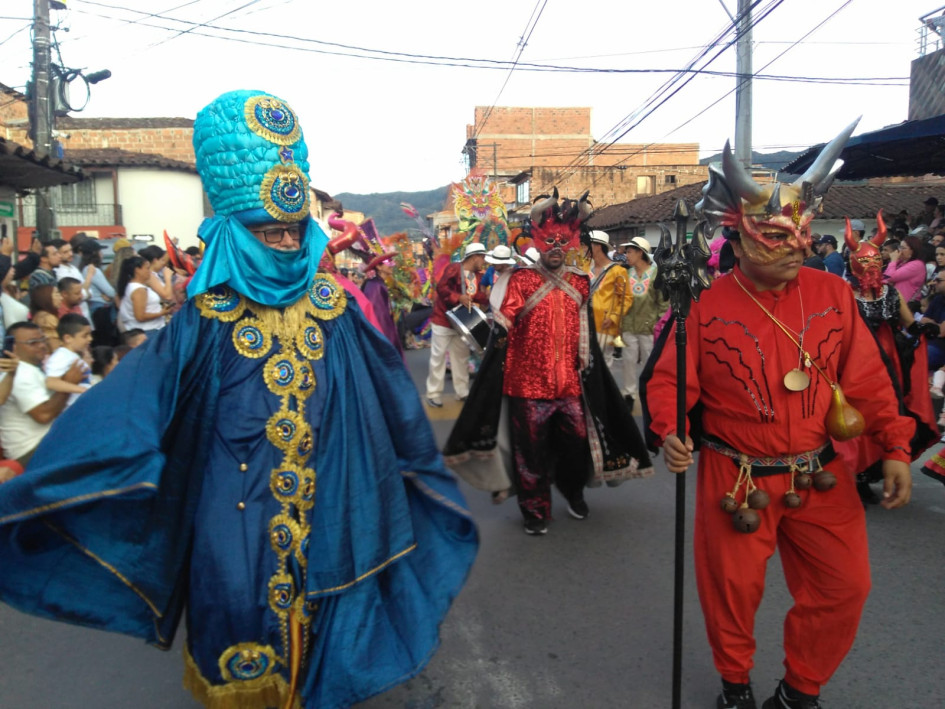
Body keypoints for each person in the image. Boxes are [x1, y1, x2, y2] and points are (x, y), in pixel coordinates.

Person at [0, 89, 477, 709]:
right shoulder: (205, 318)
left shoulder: (333, 309)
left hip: (331, 497)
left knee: (326, 627)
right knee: (235, 607)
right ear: (232, 233)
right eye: (268, 233)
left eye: (293, 232)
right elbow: (130, 406)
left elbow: (390, 407)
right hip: (230, 504)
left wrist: (396, 474)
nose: (285, 245)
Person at [642, 128, 914, 709]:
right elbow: (669, 381)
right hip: (735, 475)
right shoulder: (704, 304)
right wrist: (672, 429)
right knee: (731, 592)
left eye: (802, 235)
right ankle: (734, 685)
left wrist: (894, 447)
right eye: (775, 236)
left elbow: (868, 380)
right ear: (739, 238)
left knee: (845, 586)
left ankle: (799, 689)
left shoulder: (833, 294)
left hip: (821, 472)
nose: (795, 247)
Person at [444, 190, 653, 534]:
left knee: (576, 446)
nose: (556, 248)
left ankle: (573, 492)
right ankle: (535, 510)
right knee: (530, 454)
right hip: (526, 387)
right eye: (550, 242)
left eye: (562, 243)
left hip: (570, 385)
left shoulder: (579, 282)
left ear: (571, 244)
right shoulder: (520, 281)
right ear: (538, 243)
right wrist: (494, 341)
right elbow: (503, 324)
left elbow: (585, 332)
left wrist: (587, 365)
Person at [832, 214, 938, 505]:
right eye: (865, 262)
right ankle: (851, 473)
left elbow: (909, 324)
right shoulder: (844, 293)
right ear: (855, 264)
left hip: (887, 364)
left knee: (883, 414)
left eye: (875, 261)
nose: (871, 267)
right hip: (851, 362)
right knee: (850, 415)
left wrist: (923, 330)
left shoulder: (890, 293)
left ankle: (868, 474)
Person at [0, 321, 83, 465]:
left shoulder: (29, 369)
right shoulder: (20, 374)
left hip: (47, 441)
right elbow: (44, 415)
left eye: (43, 340)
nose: (42, 345)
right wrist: (68, 385)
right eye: (33, 343)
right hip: (31, 450)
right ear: (13, 347)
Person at [424, 242, 488, 407]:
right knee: (438, 358)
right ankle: (433, 394)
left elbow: (477, 296)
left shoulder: (478, 276)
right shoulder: (454, 268)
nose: (484, 261)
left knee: (461, 358)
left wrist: (487, 299)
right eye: (482, 257)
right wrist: (458, 297)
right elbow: (442, 288)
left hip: (463, 323)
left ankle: (462, 392)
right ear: (474, 257)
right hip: (443, 320)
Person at [619, 236, 665, 410]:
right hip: (628, 326)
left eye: (630, 252)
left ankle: (649, 392)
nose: (627, 255)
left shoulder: (656, 275)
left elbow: (663, 303)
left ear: (640, 253)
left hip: (649, 327)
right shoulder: (626, 274)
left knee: (649, 363)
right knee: (628, 362)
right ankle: (629, 394)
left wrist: (660, 325)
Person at [585, 230, 632, 370]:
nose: (585, 249)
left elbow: (626, 298)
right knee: (585, 361)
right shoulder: (586, 268)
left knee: (604, 363)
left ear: (598, 246)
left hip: (605, 322)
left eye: (588, 245)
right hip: (585, 321)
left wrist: (613, 317)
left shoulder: (618, 271)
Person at [44, 313, 94, 407]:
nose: (90, 339)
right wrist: (83, 390)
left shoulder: (71, 355)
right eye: (85, 336)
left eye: (90, 335)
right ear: (68, 338)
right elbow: (51, 382)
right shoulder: (61, 356)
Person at [117, 255, 172, 334]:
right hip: (148, 330)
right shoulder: (139, 290)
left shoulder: (132, 286)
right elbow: (140, 316)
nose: (149, 271)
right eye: (147, 268)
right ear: (137, 270)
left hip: (149, 329)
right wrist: (161, 313)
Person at [53, 239, 94, 319]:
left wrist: (86, 292)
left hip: (84, 313)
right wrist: (89, 275)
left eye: (70, 250)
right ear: (58, 254)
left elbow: (90, 292)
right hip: (72, 316)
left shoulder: (73, 268)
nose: (70, 254)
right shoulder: (58, 272)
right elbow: (82, 294)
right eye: (65, 252)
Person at [884, 234, 926, 303]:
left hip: (905, 303)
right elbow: (885, 278)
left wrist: (893, 260)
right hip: (892, 300)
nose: (900, 251)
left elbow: (890, 277)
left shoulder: (917, 265)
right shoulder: (901, 262)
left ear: (913, 250)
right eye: (900, 247)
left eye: (903, 248)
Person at [28, 284, 62, 352]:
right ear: (46, 297)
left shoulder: (39, 315)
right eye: (57, 294)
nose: (61, 298)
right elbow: (55, 348)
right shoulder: (47, 319)